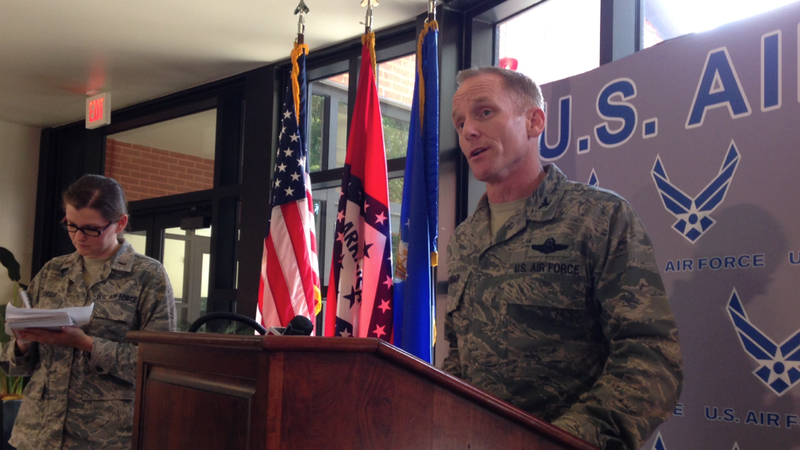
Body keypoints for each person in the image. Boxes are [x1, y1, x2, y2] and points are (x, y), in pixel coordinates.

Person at [443, 67, 683, 450]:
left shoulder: (600, 219)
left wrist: (560, 440)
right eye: (460, 122)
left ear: (535, 121)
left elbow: (651, 359)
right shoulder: (465, 240)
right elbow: (459, 357)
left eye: (484, 112)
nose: (468, 130)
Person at [0, 174, 176, 449]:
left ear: (120, 223)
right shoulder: (52, 271)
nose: (78, 237)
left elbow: (160, 365)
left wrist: (86, 343)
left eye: (91, 229)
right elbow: (14, 367)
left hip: (103, 436)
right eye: (71, 226)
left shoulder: (148, 276)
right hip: (37, 433)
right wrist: (23, 342)